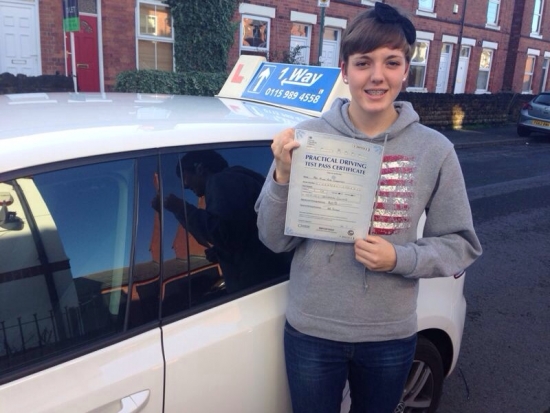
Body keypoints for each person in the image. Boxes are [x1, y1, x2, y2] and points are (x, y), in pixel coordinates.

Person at [255, 3, 483, 413]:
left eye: (391, 62)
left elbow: (461, 245)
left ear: (406, 70)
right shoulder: (306, 139)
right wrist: (283, 177)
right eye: (364, 63)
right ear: (345, 70)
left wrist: (400, 256)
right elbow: (273, 239)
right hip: (312, 331)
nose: (377, 75)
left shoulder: (435, 150)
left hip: (389, 336)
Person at [153, 150, 291, 294]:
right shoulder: (238, 180)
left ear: (200, 168)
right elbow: (240, 234)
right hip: (269, 282)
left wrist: (180, 208)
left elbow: (222, 233)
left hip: (257, 287)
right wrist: (220, 252)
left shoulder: (221, 181)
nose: (185, 185)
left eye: (185, 176)